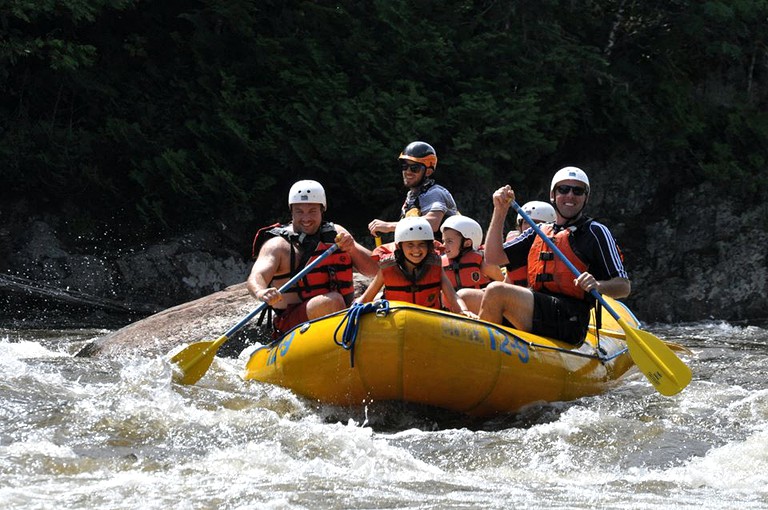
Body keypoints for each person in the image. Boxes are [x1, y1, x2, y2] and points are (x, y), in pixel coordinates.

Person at [480, 166, 630, 345]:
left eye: (578, 190)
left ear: (586, 197)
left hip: (570, 319)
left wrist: (597, 285)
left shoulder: (596, 232)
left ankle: (482, 354)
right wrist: (500, 211)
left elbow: (624, 287)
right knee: (467, 296)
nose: (570, 195)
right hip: (540, 307)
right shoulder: (541, 231)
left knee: (496, 291)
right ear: (553, 195)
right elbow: (493, 257)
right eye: (563, 189)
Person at [247, 179, 379, 337]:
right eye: (299, 211)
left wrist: (352, 249)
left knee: (380, 300)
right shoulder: (278, 246)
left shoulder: (336, 233)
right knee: (331, 301)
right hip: (294, 324)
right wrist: (261, 292)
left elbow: (376, 270)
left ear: (322, 210)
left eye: (312, 211)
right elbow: (256, 276)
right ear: (291, 211)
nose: (306, 218)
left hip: (341, 315)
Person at [357, 217, 475, 317]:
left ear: (428, 247)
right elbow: (367, 297)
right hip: (397, 320)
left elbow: (453, 296)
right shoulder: (388, 267)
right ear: (400, 247)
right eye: (410, 244)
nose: (416, 250)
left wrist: (464, 311)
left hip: (429, 319)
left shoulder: (435, 265)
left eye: (421, 244)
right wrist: (354, 309)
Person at [368, 141, 458, 237]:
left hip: (443, 249)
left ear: (428, 172)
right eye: (405, 166)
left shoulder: (435, 192)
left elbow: (433, 223)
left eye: (414, 168)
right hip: (419, 249)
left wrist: (389, 226)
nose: (408, 172)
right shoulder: (411, 196)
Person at [440, 215, 504, 314]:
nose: (444, 245)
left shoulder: (484, 263)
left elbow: (504, 285)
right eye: (443, 241)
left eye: (449, 241)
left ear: (467, 243)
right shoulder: (441, 264)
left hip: (482, 312)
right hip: (452, 313)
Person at [503, 201, 557, 286]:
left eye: (535, 223)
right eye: (526, 222)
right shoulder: (516, 248)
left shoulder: (555, 249)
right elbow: (508, 282)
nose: (529, 227)